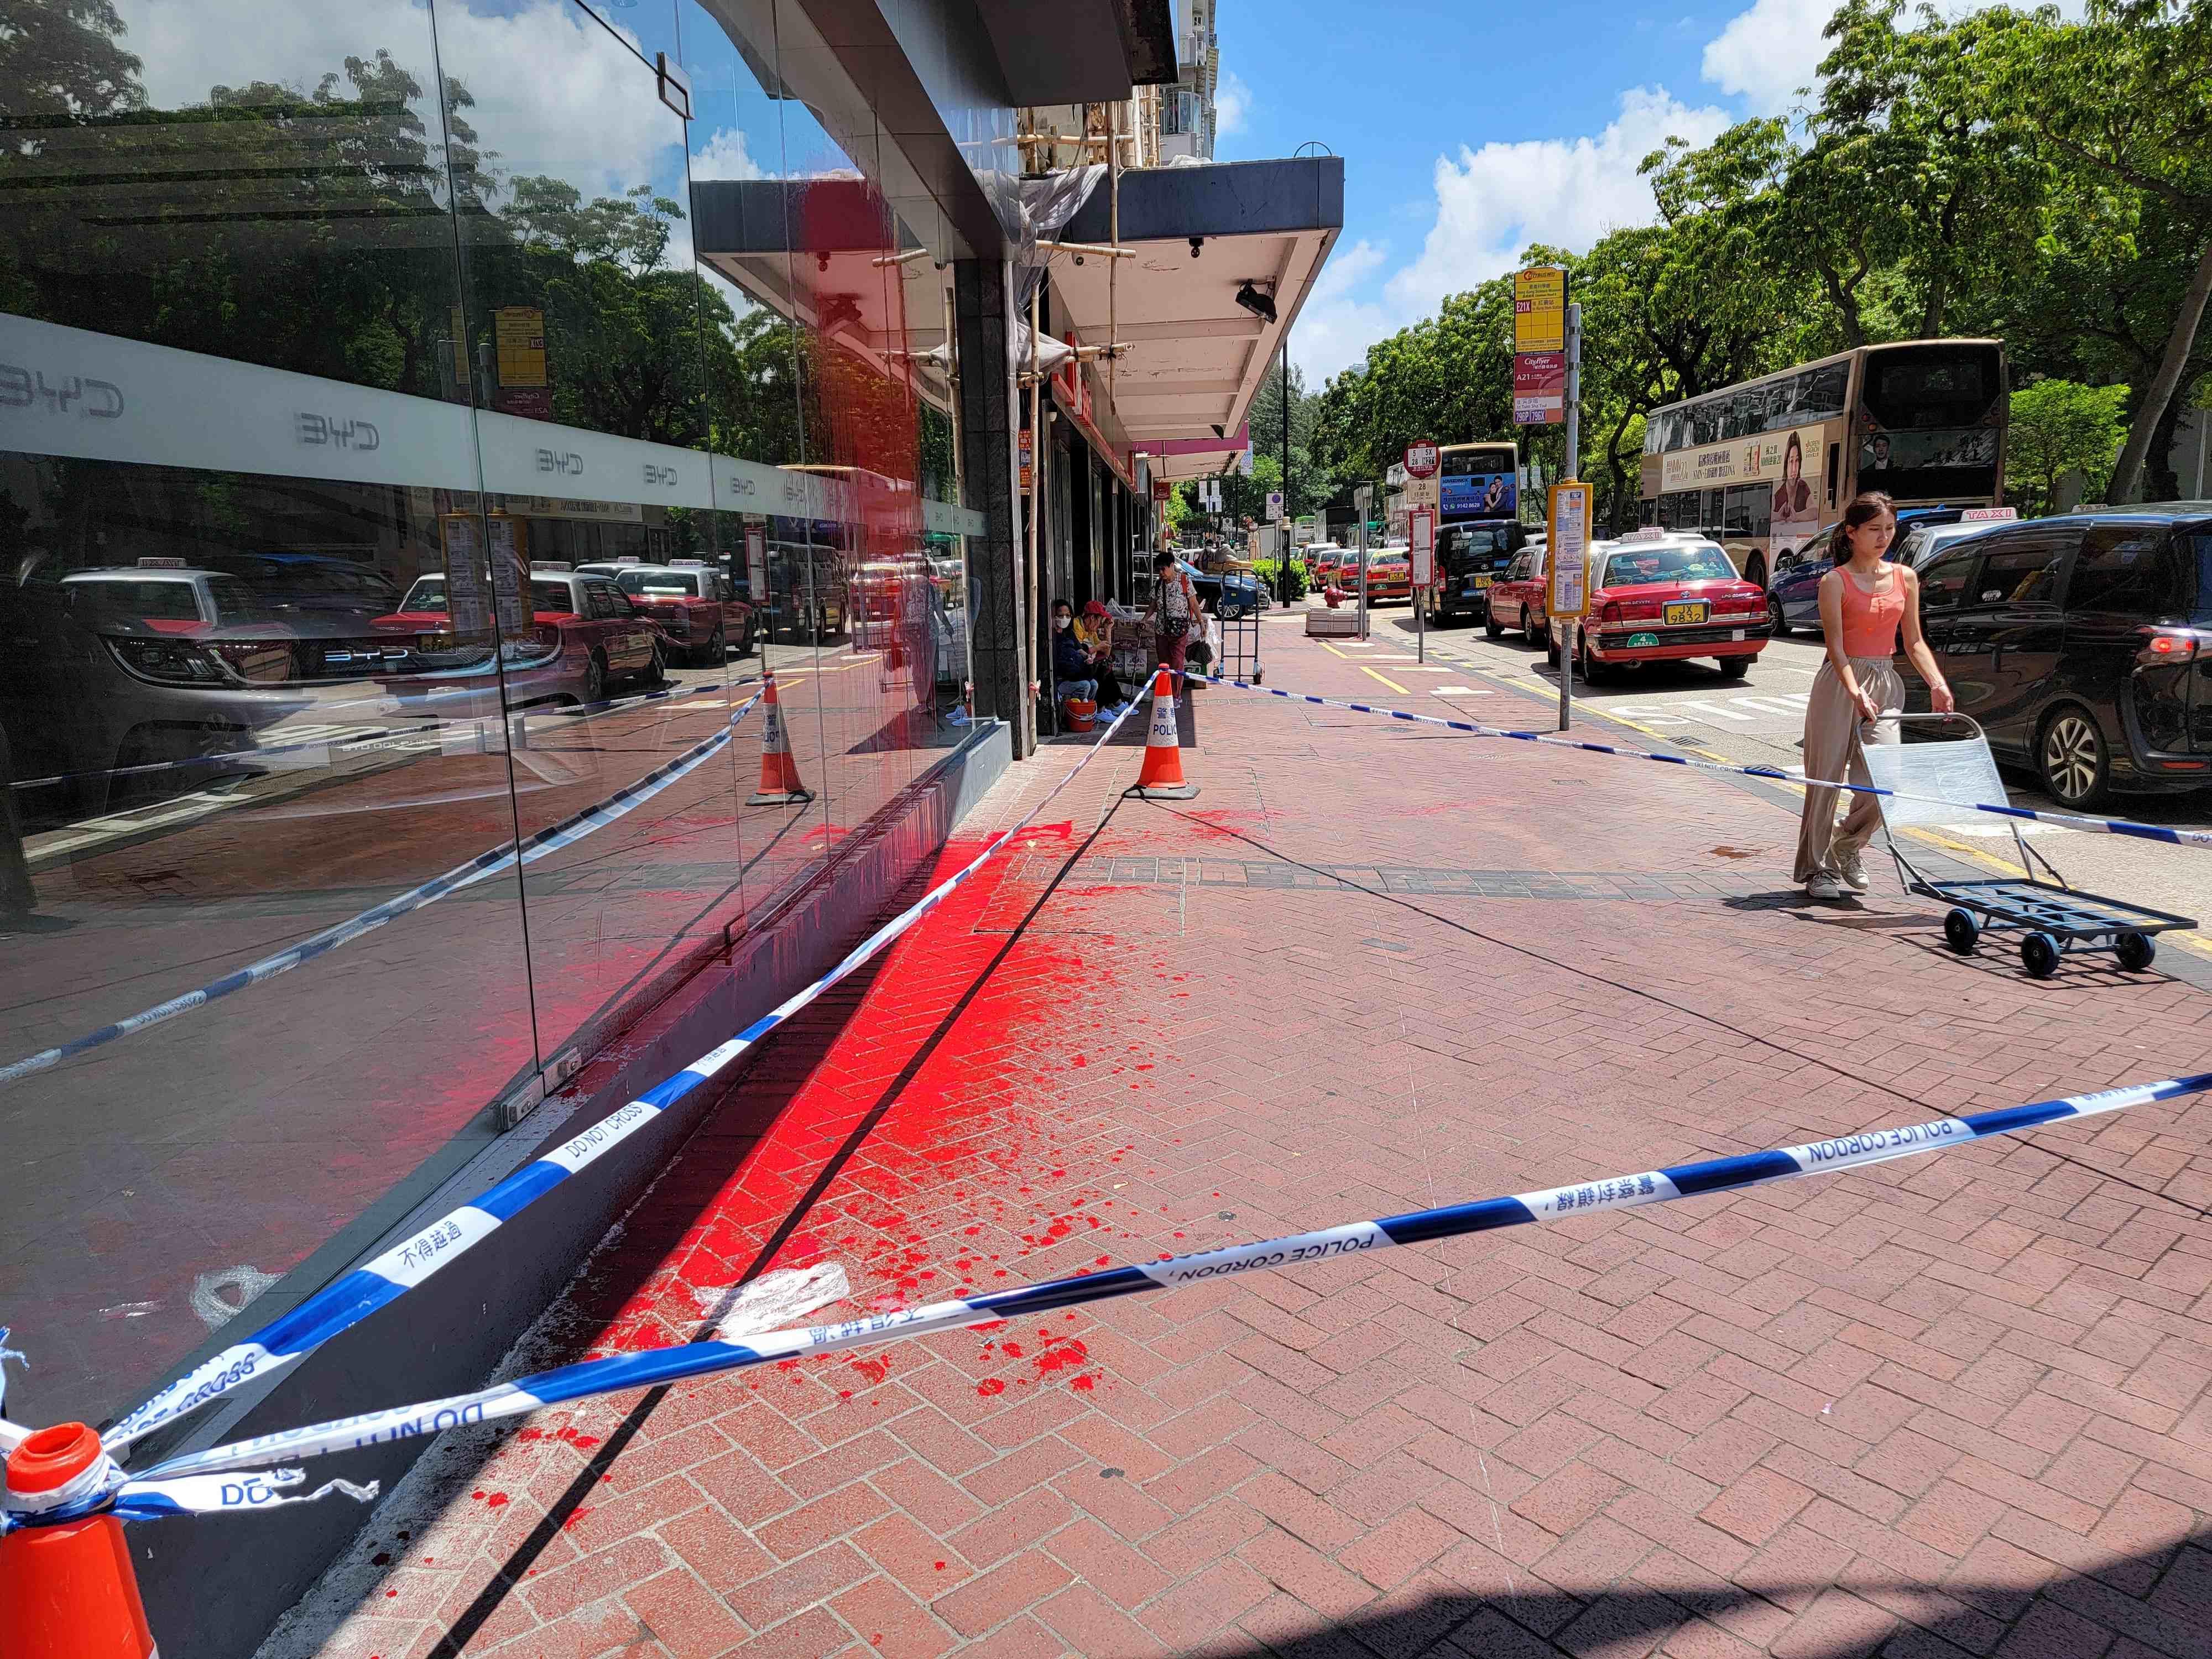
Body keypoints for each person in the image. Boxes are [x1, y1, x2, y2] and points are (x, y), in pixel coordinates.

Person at [1794, 491, 1953, 900]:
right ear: (1851, 532)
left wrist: (1937, 683)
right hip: (1840, 683)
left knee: (1886, 779)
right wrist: (1854, 691)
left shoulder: (1905, 577)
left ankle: (1847, 845)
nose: (1884, 537)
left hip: (1885, 681)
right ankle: (1817, 870)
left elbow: (1914, 641)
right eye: (1874, 530)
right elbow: (1836, 648)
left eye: (1889, 529)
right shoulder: (1835, 582)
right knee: (1825, 779)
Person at [1149, 550, 1201, 687]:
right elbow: (1153, 606)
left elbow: (1194, 604)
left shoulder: (1185, 581)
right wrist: (1144, 620)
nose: (1161, 573)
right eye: (1158, 570)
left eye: (1163, 569)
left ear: (1172, 565)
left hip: (1180, 630)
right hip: (1162, 631)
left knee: (1177, 662)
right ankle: (1165, 691)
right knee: (1164, 664)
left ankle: (1176, 694)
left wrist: (1201, 622)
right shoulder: (1158, 585)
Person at [1074, 599, 1126, 710]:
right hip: (1077, 665)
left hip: (1088, 663)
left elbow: (1107, 653)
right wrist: (1097, 648)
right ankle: (1101, 709)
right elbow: (1078, 651)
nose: (1100, 625)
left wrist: (1108, 631)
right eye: (1100, 620)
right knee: (1101, 669)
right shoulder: (1077, 625)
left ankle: (1116, 704)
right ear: (1093, 618)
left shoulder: (1091, 631)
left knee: (1106, 664)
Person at [1048, 599, 1096, 707]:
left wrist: (1088, 657)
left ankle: (1086, 710)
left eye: (1068, 615)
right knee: (1085, 685)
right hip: (1060, 679)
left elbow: (1079, 649)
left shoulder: (1069, 633)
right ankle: (1075, 710)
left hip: (1074, 673)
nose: (1065, 618)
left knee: (1094, 684)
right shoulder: (1051, 636)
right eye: (1061, 615)